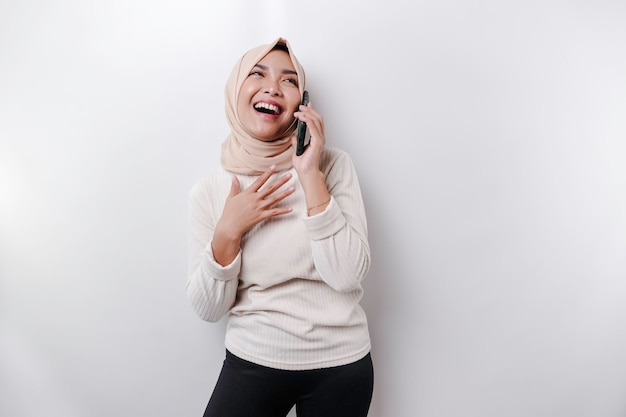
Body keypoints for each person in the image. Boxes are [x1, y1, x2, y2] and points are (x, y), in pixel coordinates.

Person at [187, 37, 374, 417]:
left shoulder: (332, 166)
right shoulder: (210, 190)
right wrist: (228, 232)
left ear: (301, 105)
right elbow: (208, 309)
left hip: (341, 363)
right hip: (253, 358)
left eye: (289, 81)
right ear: (235, 90)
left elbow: (348, 275)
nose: (273, 87)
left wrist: (309, 175)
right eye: (258, 74)